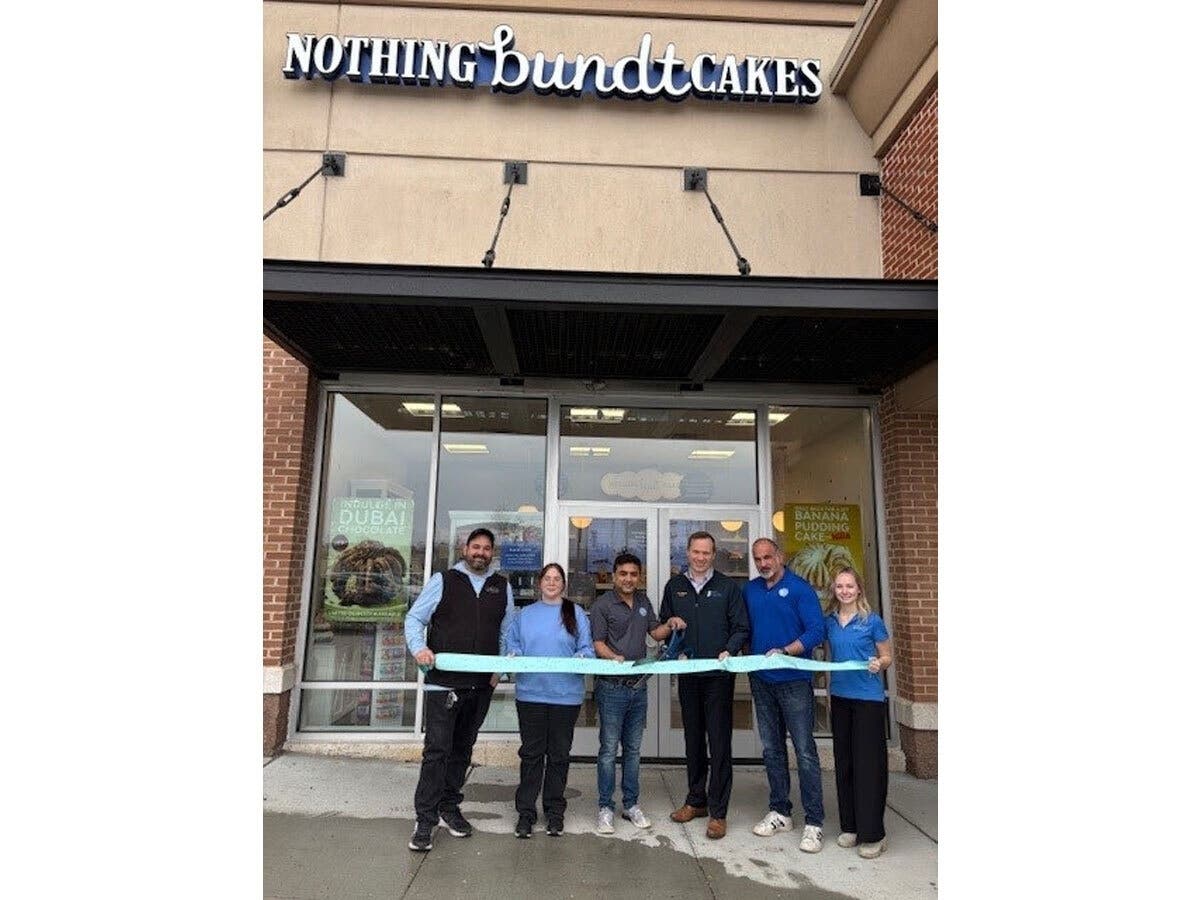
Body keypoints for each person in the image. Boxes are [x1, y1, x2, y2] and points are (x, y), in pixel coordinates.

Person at [404, 527, 515, 852]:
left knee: (463, 750)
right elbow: (414, 619)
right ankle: (424, 821)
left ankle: (448, 808)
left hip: (480, 686)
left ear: (492, 553)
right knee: (437, 751)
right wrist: (419, 649)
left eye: (486, 548)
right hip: (444, 684)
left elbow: (506, 631)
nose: (480, 552)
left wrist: (500, 671)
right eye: (475, 547)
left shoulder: (501, 586)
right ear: (465, 549)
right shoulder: (444, 580)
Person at [660, 531, 749, 840]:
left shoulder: (727, 587)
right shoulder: (675, 586)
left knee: (719, 741)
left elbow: (741, 627)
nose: (700, 558)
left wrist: (729, 649)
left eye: (706, 553)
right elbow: (664, 623)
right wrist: (673, 631)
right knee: (693, 739)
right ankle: (696, 800)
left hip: (718, 677)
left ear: (714, 554)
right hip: (688, 676)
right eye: (695, 552)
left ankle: (718, 812)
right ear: (687, 553)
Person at [590, 552, 687, 834]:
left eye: (634, 574)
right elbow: (597, 644)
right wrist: (613, 658)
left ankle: (631, 804)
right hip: (611, 689)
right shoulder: (602, 605)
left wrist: (670, 625)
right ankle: (605, 807)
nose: (629, 579)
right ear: (614, 576)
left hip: (638, 688)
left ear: (639, 576)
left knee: (633, 751)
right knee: (608, 751)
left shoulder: (643, 602)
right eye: (623, 574)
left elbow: (654, 633)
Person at [743, 538, 827, 853]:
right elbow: (743, 628)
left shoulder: (800, 589)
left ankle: (814, 823)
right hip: (761, 680)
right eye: (757, 559)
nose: (763, 563)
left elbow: (816, 631)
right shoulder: (749, 590)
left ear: (780, 556)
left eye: (768, 557)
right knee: (772, 749)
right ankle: (780, 811)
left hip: (794, 680)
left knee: (804, 752)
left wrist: (785, 651)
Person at [505, 562, 595, 838]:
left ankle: (555, 813)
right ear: (539, 583)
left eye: (557, 579)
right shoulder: (524, 615)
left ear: (563, 584)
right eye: (548, 578)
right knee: (531, 756)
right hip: (530, 694)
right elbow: (512, 645)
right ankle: (526, 813)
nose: (552, 583)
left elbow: (587, 649)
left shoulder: (575, 613)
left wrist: (582, 657)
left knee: (558, 756)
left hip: (565, 697)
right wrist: (514, 655)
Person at [824, 565, 893, 859]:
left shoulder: (872, 620)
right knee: (845, 763)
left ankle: (873, 834)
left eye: (849, 586)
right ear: (834, 590)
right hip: (840, 698)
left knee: (869, 767)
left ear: (859, 589)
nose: (844, 591)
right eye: (839, 586)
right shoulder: (829, 621)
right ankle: (850, 826)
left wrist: (881, 664)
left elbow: (887, 654)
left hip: (868, 700)